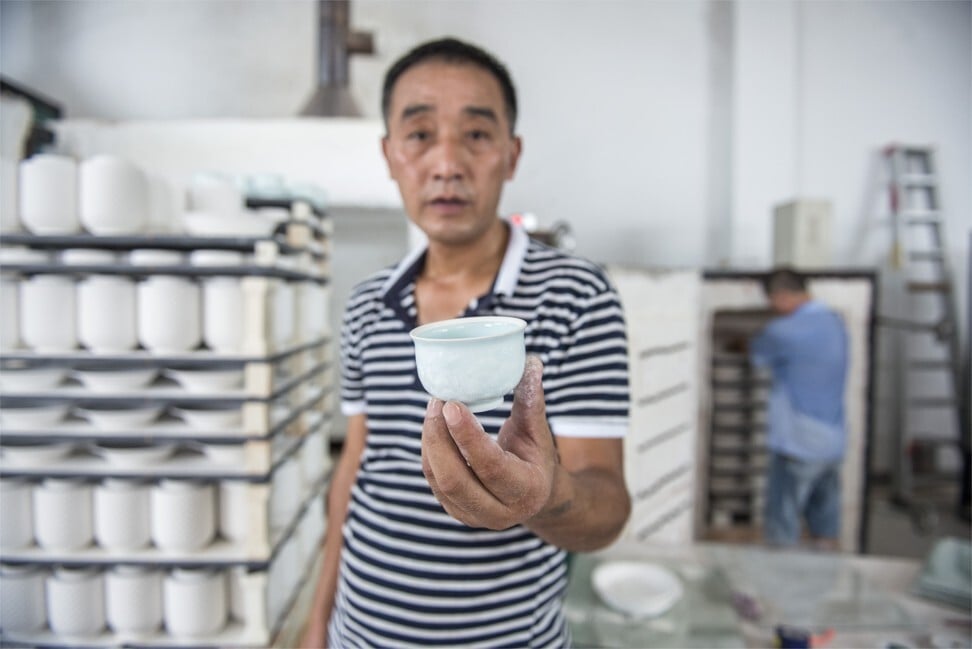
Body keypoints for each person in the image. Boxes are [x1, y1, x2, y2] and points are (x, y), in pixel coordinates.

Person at [300, 37, 631, 648]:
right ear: (390, 154)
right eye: (420, 134)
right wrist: (319, 621)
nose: (447, 162)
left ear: (512, 153)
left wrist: (548, 494)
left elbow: (606, 505)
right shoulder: (367, 302)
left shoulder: (577, 295)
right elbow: (355, 464)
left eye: (476, 135)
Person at [750, 268, 849, 550]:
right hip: (833, 443)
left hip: (799, 444)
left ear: (781, 297)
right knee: (825, 524)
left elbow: (756, 355)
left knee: (782, 524)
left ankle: (783, 588)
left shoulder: (782, 331)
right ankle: (825, 580)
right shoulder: (834, 322)